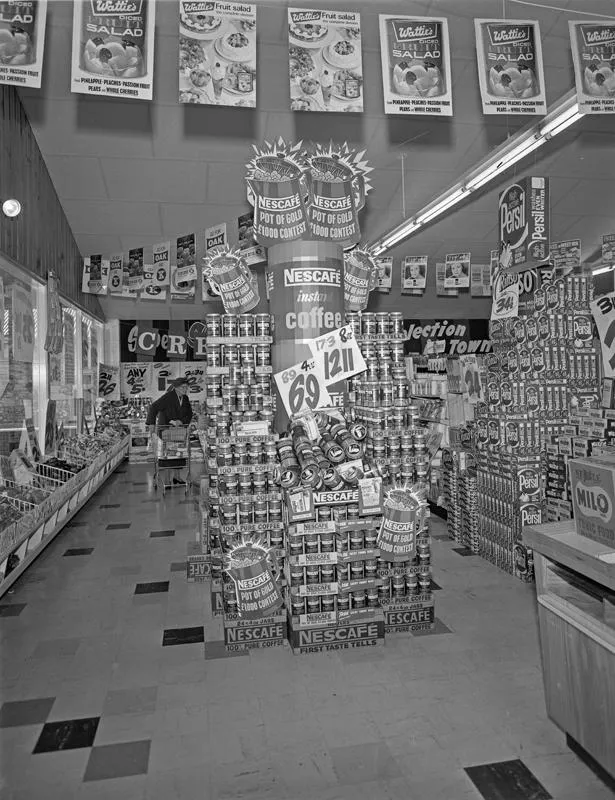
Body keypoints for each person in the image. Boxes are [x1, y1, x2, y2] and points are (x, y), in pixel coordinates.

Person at [146, 377, 193, 485]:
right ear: (176, 388)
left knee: (179, 453)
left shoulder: (185, 398)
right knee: (167, 454)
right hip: (166, 429)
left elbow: (189, 413)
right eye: (183, 387)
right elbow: (153, 407)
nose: (186, 389)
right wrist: (152, 424)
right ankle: (167, 480)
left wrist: (181, 421)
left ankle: (177, 477)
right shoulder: (168, 396)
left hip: (179, 431)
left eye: (187, 387)